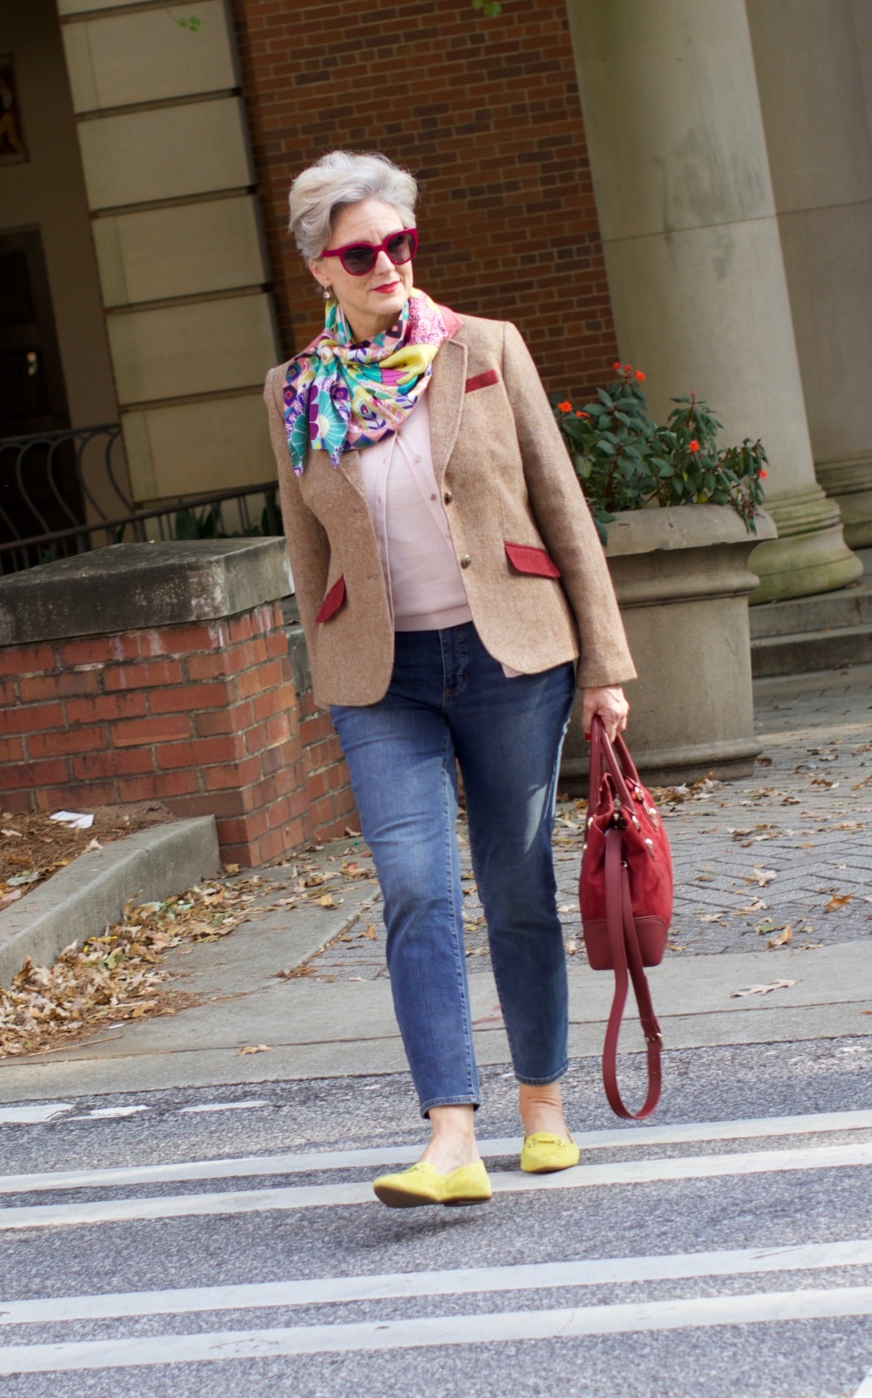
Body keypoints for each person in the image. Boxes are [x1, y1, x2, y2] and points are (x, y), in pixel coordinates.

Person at [263, 151, 635, 1209]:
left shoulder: (482, 350)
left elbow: (562, 509)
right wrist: (322, 669)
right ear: (321, 270)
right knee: (416, 889)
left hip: (511, 655)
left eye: (399, 245)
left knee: (516, 885)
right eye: (361, 253)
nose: (387, 264)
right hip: (383, 678)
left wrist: (605, 665)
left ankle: (543, 1104)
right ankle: (450, 1138)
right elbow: (306, 553)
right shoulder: (292, 392)